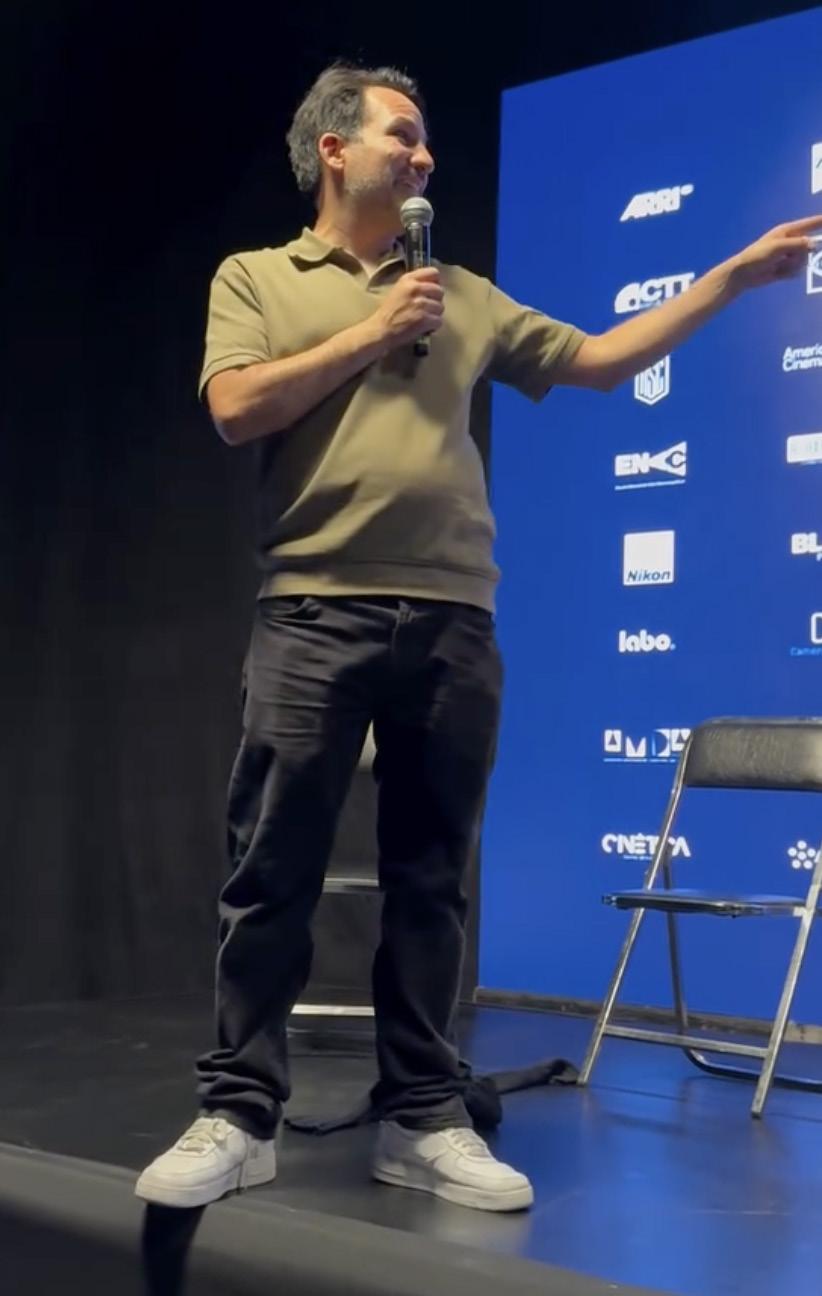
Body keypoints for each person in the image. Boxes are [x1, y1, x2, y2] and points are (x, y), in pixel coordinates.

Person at [136, 62, 821, 1214]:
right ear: (335, 149)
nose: (425, 156)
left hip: (453, 619)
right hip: (312, 609)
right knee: (272, 873)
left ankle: (423, 1117)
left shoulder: (459, 290)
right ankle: (239, 1115)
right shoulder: (258, 276)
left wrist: (733, 277)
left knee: (434, 879)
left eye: (427, 141)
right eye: (402, 134)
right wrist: (373, 331)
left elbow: (601, 361)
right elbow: (237, 407)